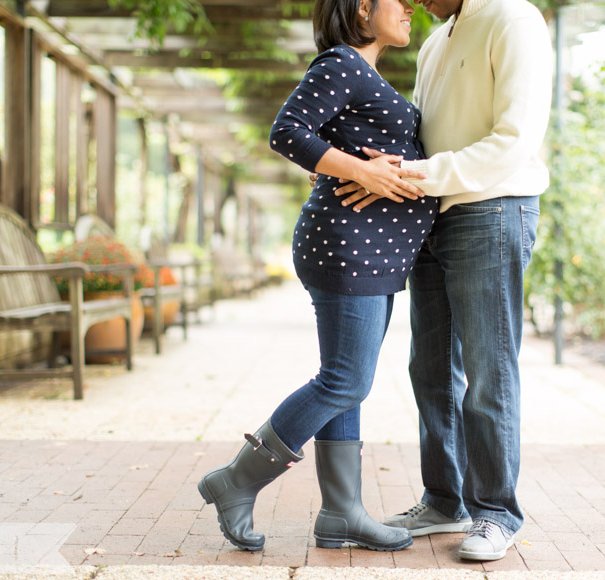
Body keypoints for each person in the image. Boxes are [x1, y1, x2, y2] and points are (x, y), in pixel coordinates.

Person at [197, 0, 437, 553]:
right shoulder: (342, 64)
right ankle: (235, 481)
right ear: (362, 7)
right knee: (346, 381)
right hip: (349, 247)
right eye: (396, 1)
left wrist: (360, 167)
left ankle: (341, 513)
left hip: (371, 252)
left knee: (344, 382)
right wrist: (363, 171)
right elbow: (288, 131)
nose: (409, 8)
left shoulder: (363, 72)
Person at [334, 0, 553, 562]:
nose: (411, 2)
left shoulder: (514, 19)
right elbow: (424, 139)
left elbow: (515, 139)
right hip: (431, 213)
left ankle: (496, 512)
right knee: (430, 368)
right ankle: (444, 499)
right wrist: (364, 165)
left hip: (493, 208)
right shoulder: (435, 41)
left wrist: (416, 174)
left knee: (488, 368)